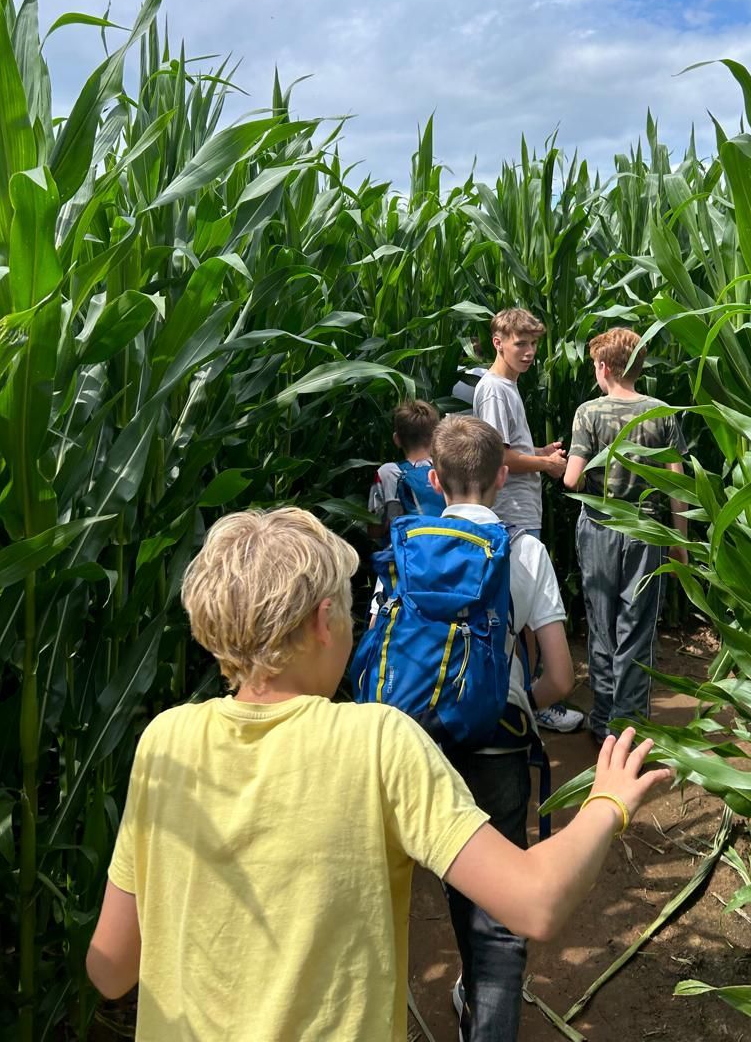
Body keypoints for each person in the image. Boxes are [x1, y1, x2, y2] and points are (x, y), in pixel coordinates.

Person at [85, 507, 669, 1042]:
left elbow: (109, 969)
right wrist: (607, 804)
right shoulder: (377, 742)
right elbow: (535, 902)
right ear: (322, 622)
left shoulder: (164, 741)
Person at [427, 415, 579, 1041]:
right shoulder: (524, 551)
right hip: (499, 743)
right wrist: (520, 703)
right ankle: (485, 1006)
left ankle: (466, 984)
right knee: (501, 913)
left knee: (457, 876)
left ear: (434, 480)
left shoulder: (416, 546)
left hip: (426, 744)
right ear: (500, 477)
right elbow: (563, 679)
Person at [564, 328, 688, 744]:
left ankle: (604, 724)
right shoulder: (661, 413)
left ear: (603, 367)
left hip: (600, 527)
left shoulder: (589, 413)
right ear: (639, 366)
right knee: (637, 629)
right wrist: (679, 540)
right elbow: (676, 485)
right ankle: (631, 725)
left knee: (601, 627)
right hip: (646, 530)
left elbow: (573, 478)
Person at [472, 307, 583, 733]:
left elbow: (507, 446)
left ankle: (530, 697)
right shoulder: (496, 390)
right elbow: (497, 456)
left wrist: (536, 452)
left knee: (525, 612)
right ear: (498, 342)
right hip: (512, 515)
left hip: (519, 511)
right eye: (521, 343)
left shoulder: (506, 388)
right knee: (524, 615)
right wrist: (547, 467)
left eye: (534, 343)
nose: (530, 351)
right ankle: (532, 702)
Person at [368, 399, 444, 539]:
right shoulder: (448, 467)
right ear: (435, 437)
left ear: (396, 439)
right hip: (449, 549)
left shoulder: (388, 472)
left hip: (406, 556)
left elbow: (374, 530)